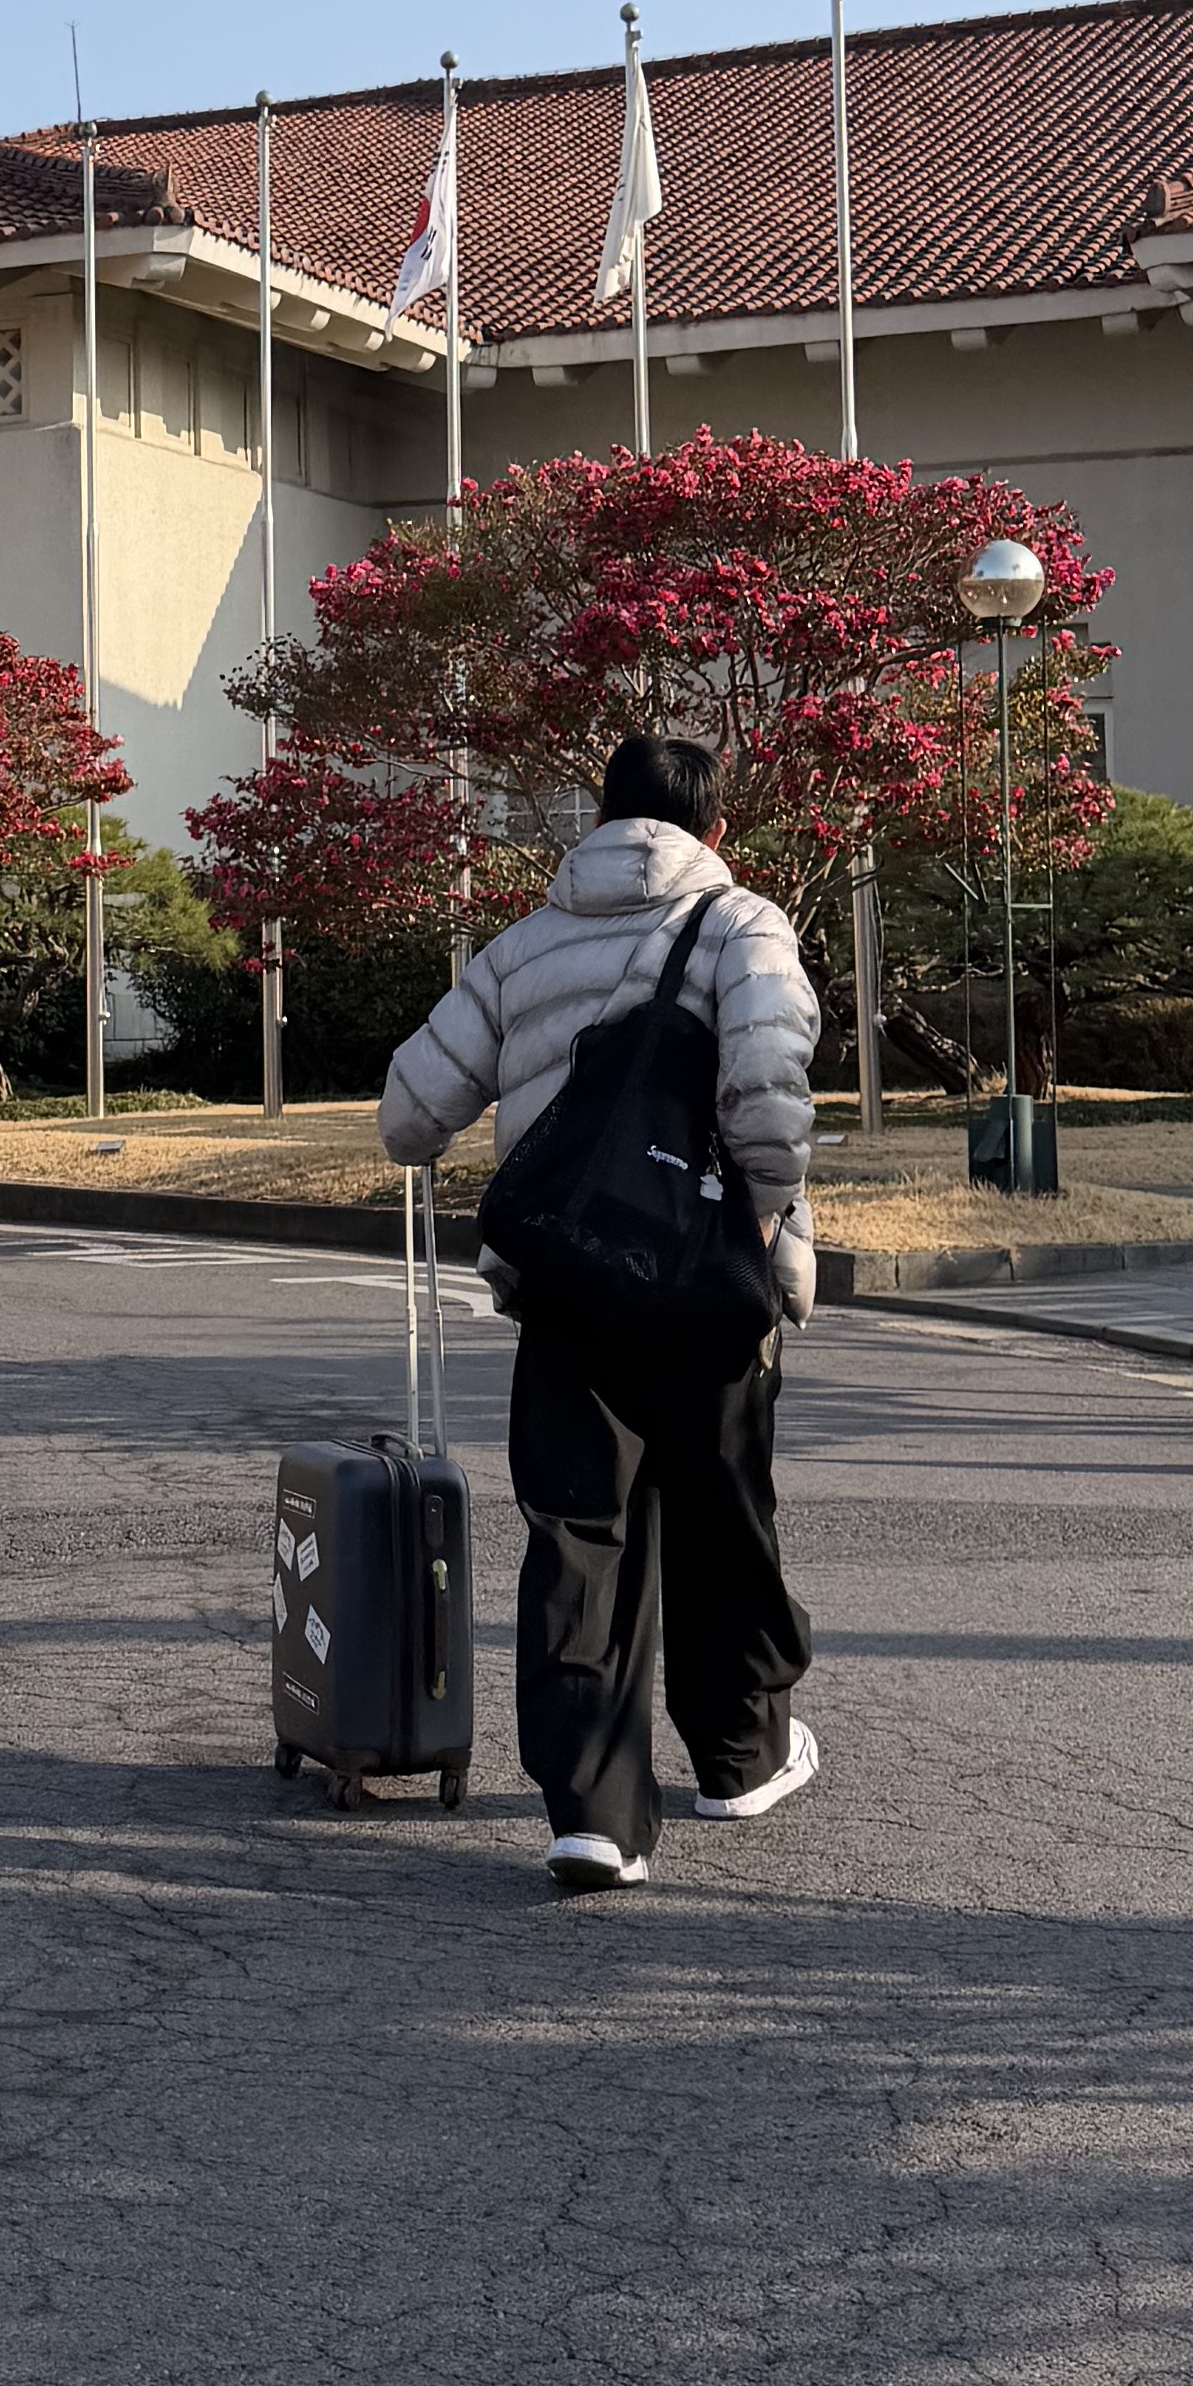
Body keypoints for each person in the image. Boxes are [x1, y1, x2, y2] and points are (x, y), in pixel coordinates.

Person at [378, 732, 823, 1896]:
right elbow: (768, 1093)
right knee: (725, 1521)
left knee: (580, 1533)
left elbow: (408, 1115)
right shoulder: (744, 926)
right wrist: (765, 1219)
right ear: (713, 829)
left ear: (601, 820)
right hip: (708, 1283)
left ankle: (593, 1815)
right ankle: (741, 1758)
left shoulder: (522, 947)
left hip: (571, 1285)